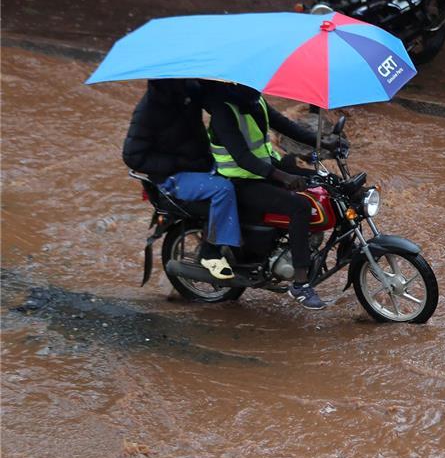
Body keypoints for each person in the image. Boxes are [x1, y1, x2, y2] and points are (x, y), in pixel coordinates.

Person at [201, 81, 327, 310]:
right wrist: (283, 177)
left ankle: (293, 249)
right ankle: (300, 284)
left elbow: (287, 126)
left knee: (319, 181)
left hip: (264, 172)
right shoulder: (223, 111)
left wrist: (325, 142)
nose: (258, 87)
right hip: (239, 181)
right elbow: (242, 157)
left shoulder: (255, 100)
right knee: (299, 206)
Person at [122, 78, 240, 280]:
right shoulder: (148, 110)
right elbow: (132, 156)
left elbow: (214, 103)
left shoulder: (189, 89)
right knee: (223, 189)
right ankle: (209, 252)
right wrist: (178, 162)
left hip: (201, 164)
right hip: (172, 177)